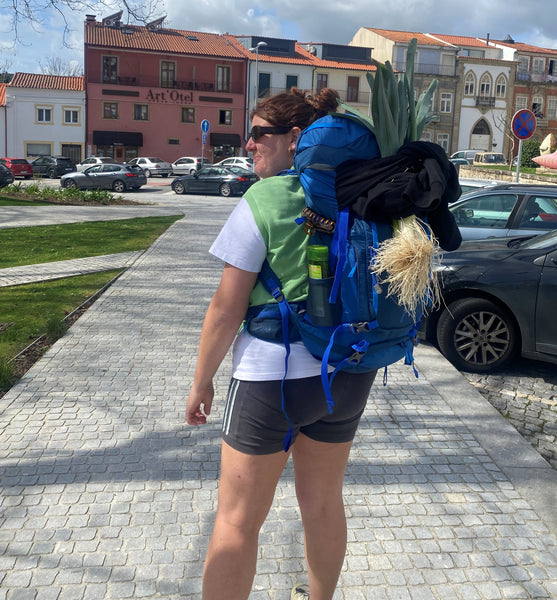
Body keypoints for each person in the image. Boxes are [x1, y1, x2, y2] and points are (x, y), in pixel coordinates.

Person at [185, 87, 377, 600]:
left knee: (236, 521)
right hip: (347, 373)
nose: (248, 144)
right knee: (322, 505)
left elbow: (226, 311)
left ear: (296, 139)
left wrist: (201, 382)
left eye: (259, 133)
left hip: (272, 380)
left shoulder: (264, 199)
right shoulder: (360, 195)